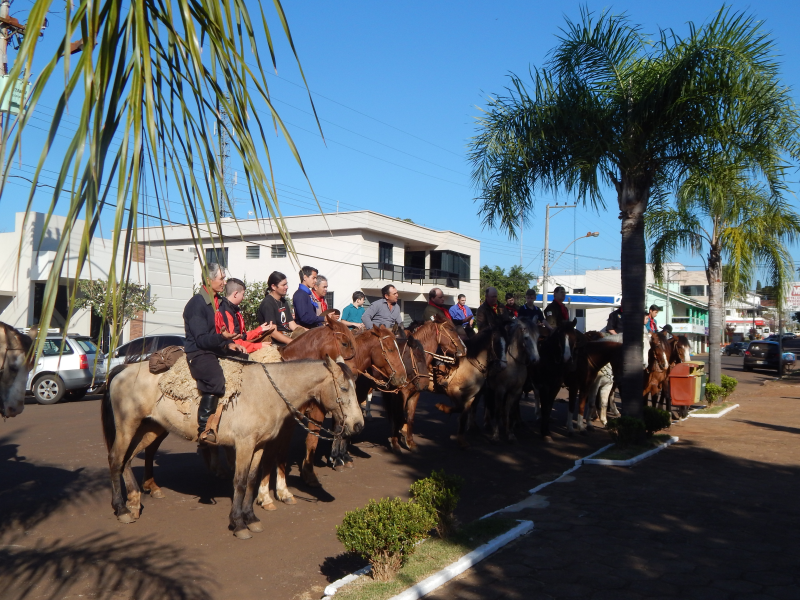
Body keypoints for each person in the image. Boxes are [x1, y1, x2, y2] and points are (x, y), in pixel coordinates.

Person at [183, 263, 241, 445]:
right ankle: (205, 429)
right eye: (221, 278)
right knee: (216, 379)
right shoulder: (196, 304)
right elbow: (201, 339)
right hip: (199, 352)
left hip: (215, 348)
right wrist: (222, 338)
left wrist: (229, 343)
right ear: (209, 281)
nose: (224, 282)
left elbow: (219, 333)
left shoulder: (218, 302)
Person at [216, 278, 275, 353]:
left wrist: (259, 330)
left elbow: (241, 336)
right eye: (243, 294)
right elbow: (235, 342)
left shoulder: (232, 310)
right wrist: (259, 346)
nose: (243, 298)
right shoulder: (226, 312)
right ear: (235, 294)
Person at [257, 271, 304, 345]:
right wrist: (293, 343)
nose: (287, 287)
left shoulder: (283, 301)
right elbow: (273, 332)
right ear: (273, 287)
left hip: (288, 337)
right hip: (276, 343)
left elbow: (292, 325)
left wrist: (311, 332)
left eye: (286, 284)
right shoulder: (268, 303)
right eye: (283, 285)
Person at [475, 286, 513, 369]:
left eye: (495, 296)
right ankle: (492, 366)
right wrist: (493, 330)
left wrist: (507, 326)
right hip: (489, 337)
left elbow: (507, 320)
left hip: (503, 333)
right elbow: (481, 326)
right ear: (486, 297)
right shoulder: (481, 309)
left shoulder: (501, 307)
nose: (494, 298)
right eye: (492, 296)